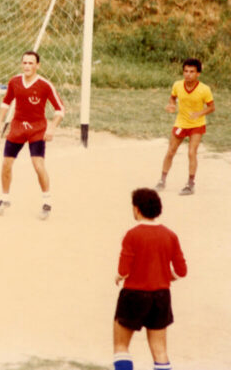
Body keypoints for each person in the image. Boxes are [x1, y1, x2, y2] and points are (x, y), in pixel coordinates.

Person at [113, 188, 187, 370]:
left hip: (134, 295)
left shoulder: (132, 234)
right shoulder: (170, 235)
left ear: (137, 209)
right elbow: (181, 271)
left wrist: (119, 276)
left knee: (121, 346)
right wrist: (166, 276)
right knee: (160, 350)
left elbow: (124, 269)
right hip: (161, 296)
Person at [0, 51, 65, 219]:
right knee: (6, 164)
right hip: (17, 127)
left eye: (31, 63)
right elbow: (6, 101)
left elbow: (60, 109)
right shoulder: (14, 81)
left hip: (37, 129)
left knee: (38, 165)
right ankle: (4, 198)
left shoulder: (45, 85)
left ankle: (47, 201)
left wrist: (52, 128)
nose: (27, 66)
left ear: (37, 65)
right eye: (24, 63)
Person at [154, 58, 215, 195]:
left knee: (191, 152)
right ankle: (162, 180)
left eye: (192, 72)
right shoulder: (177, 85)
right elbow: (173, 97)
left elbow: (212, 107)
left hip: (197, 125)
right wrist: (171, 105)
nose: (188, 74)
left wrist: (199, 113)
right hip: (181, 123)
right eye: (186, 71)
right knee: (171, 151)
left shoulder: (204, 89)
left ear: (198, 73)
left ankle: (190, 184)